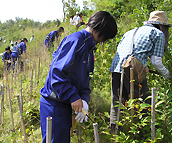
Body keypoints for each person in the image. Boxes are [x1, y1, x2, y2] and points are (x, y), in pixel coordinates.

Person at [40, 11, 117, 143]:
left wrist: (84, 100)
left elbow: (85, 79)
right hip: (54, 104)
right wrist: (73, 96)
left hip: (64, 104)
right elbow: (56, 73)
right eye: (105, 38)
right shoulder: (76, 40)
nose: (103, 42)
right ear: (100, 30)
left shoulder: (89, 48)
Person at [109, 10, 171, 132]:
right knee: (144, 105)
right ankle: (143, 134)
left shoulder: (131, 31)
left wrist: (143, 64)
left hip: (116, 67)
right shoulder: (158, 33)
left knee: (117, 104)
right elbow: (156, 61)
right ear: (162, 26)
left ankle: (114, 134)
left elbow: (130, 52)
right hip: (132, 71)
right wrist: (168, 75)